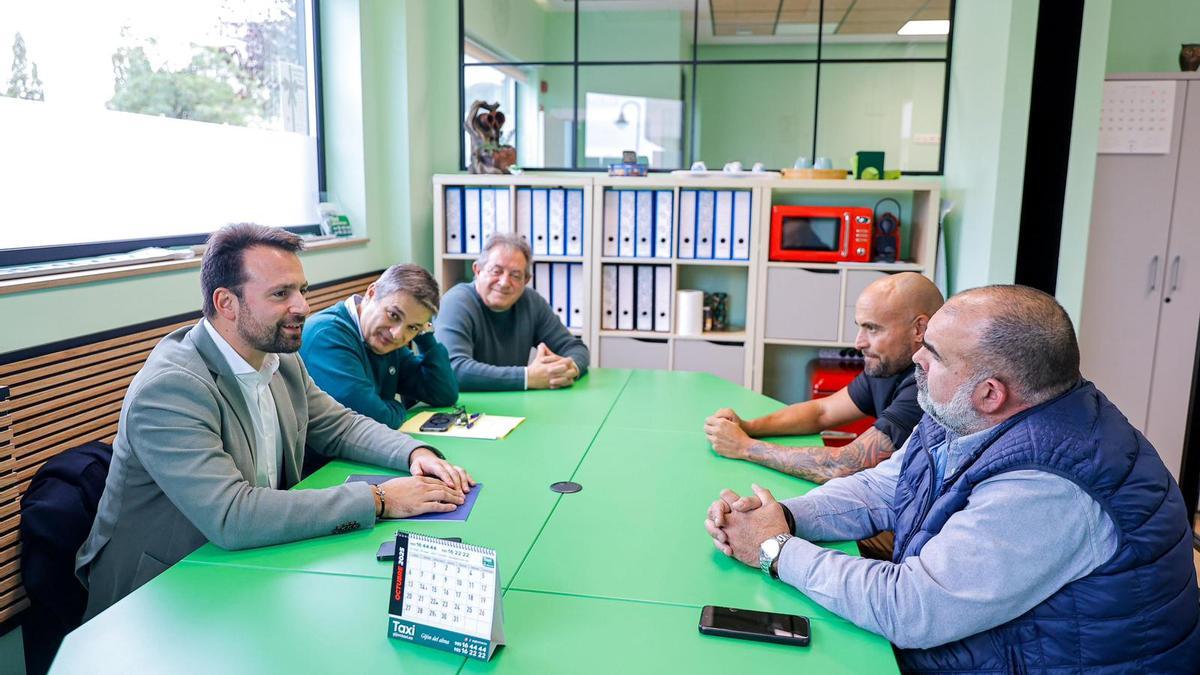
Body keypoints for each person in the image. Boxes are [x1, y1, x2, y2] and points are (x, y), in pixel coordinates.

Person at [704, 285, 1200, 672]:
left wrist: (775, 551)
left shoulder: (1049, 485)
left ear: (990, 393)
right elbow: (884, 485)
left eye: (935, 353)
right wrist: (783, 515)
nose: (918, 357)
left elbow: (912, 607)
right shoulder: (961, 410)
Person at [76, 224, 475, 620]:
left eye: (302, 290)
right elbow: (232, 515)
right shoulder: (171, 389)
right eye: (281, 293)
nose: (302, 306)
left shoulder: (279, 358)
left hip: (250, 564)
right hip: (158, 596)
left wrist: (414, 451)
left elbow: (340, 425)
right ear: (226, 302)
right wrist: (381, 500)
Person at [704, 273, 943, 484]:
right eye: (860, 327)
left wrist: (745, 447)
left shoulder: (930, 384)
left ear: (919, 329)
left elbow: (842, 466)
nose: (858, 343)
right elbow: (822, 411)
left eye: (873, 329)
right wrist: (748, 427)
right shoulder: (891, 364)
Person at [299, 264, 457, 475]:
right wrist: (398, 407)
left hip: (364, 459)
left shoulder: (381, 339)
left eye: (412, 327)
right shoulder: (327, 335)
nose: (397, 334)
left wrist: (425, 335)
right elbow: (372, 418)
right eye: (393, 315)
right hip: (320, 472)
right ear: (371, 293)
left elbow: (443, 393)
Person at [436, 232, 589, 391]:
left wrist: (568, 369)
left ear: (526, 281)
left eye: (515, 276)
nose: (504, 283)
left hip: (515, 404)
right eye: (496, 271)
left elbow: (575, 348)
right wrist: (528, 377)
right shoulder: (456, 302)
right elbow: (453, 369)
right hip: (465, 409)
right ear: (477, 270)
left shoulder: (530, 302)